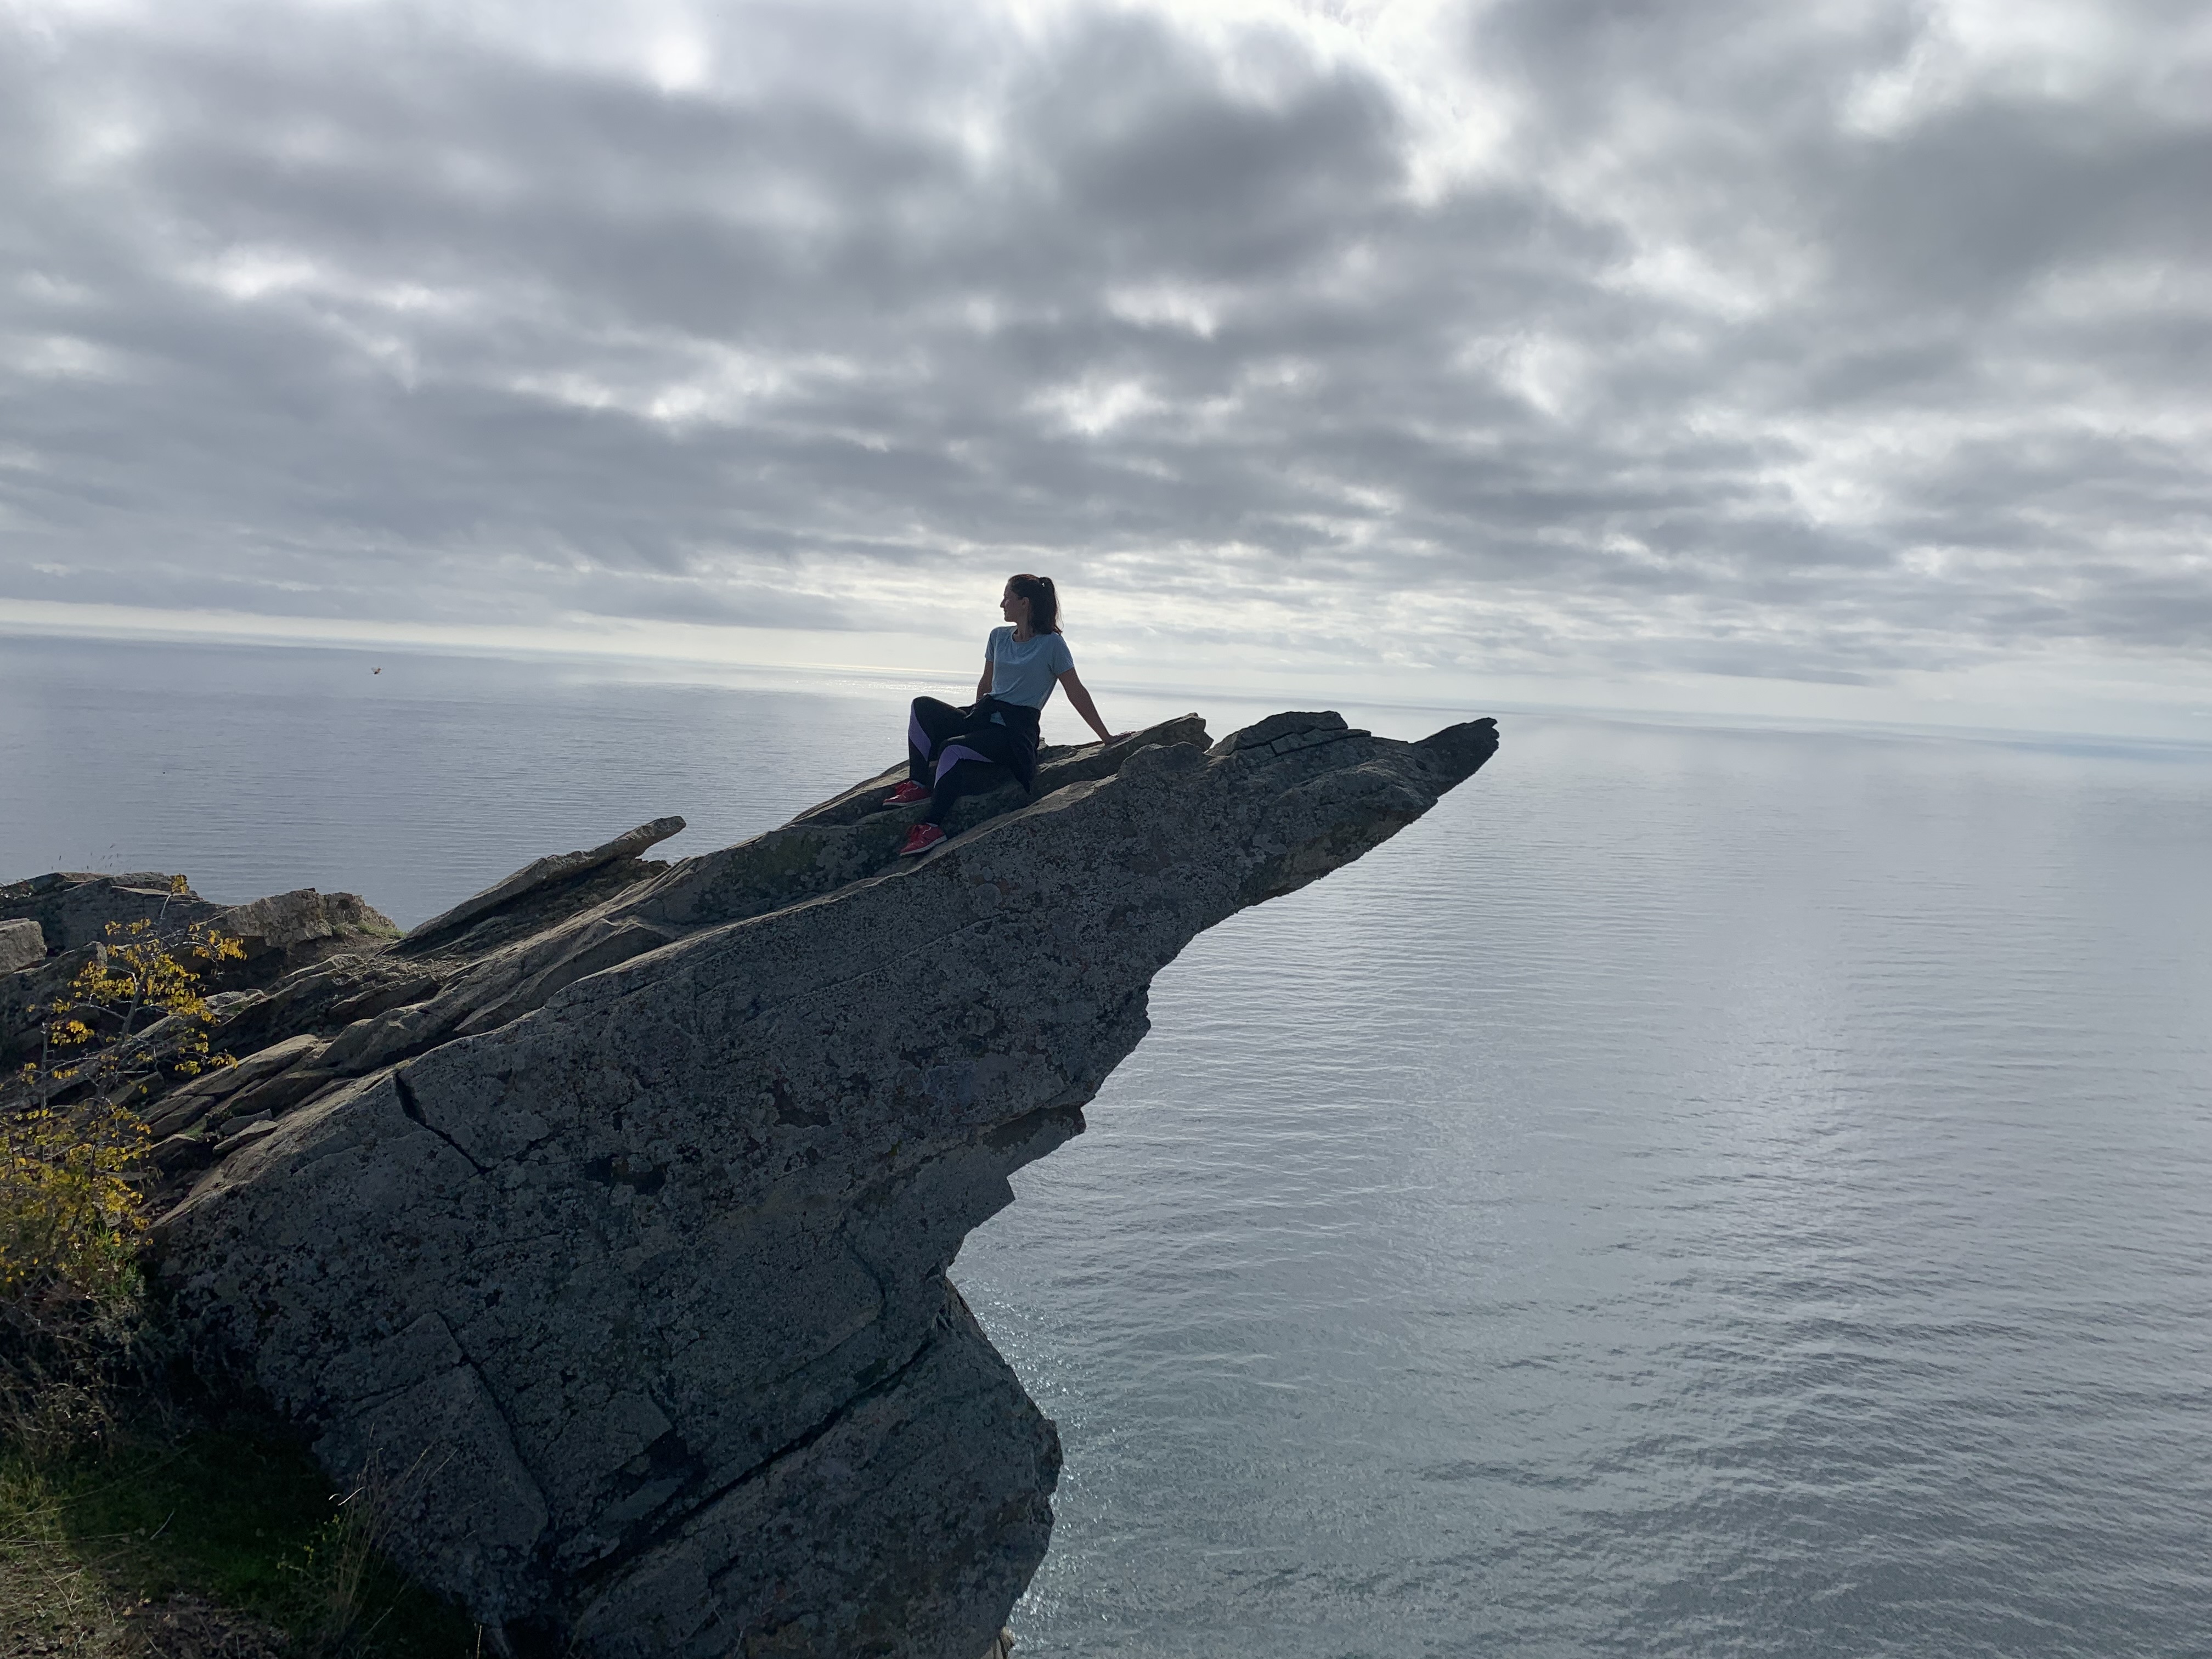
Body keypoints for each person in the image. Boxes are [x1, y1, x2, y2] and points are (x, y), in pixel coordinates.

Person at [891, 574, 1125, 856]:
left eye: (1007, 598)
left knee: (951, 749)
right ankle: (918, 783)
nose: (1002, 604)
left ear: (1024, 603)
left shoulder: (1052, 645)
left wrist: (1106, 737)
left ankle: (932, 827)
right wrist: (975, 720)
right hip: (986, 717)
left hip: (1014, 733)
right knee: (922, 706)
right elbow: (986, 684)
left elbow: (1076, 692)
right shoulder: (998, 637)